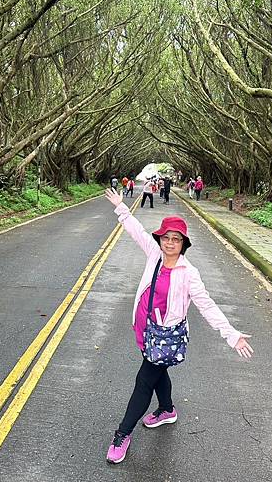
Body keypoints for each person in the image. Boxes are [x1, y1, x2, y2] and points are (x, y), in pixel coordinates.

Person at [104, 187, 253, 464]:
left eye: (176, 239)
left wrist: (232, 335)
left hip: (166, 336)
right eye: (166, 237)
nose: (170, 242)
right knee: (158, 372)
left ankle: (123, 432)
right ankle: (167, 409)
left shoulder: (189, 274)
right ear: (160, 239)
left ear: (183, 244)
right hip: (145, 329)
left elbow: (206, 305)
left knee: (145, 379)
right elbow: (136, 230)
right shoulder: (154, 255)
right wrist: (121, 208)